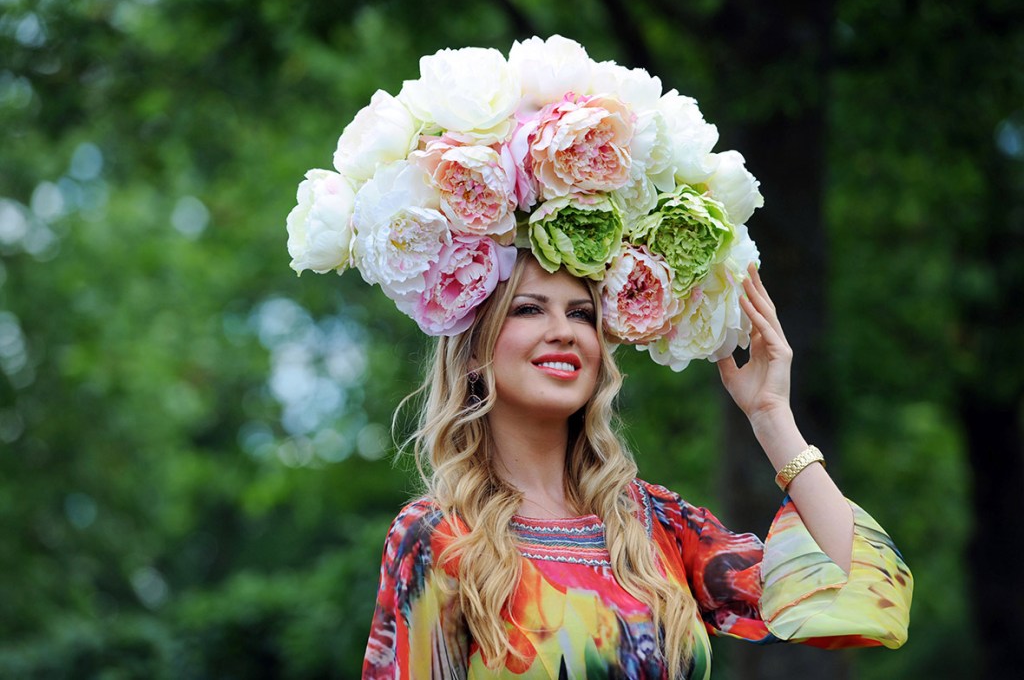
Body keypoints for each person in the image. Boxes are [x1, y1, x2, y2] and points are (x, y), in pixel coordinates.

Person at [359, 251, 912, 679]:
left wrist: (771, 418)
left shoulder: (656, 523)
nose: (566, 330)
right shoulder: (439, 535)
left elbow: (860, 594)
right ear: (474, 349)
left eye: (581, 314)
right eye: (530, 309)